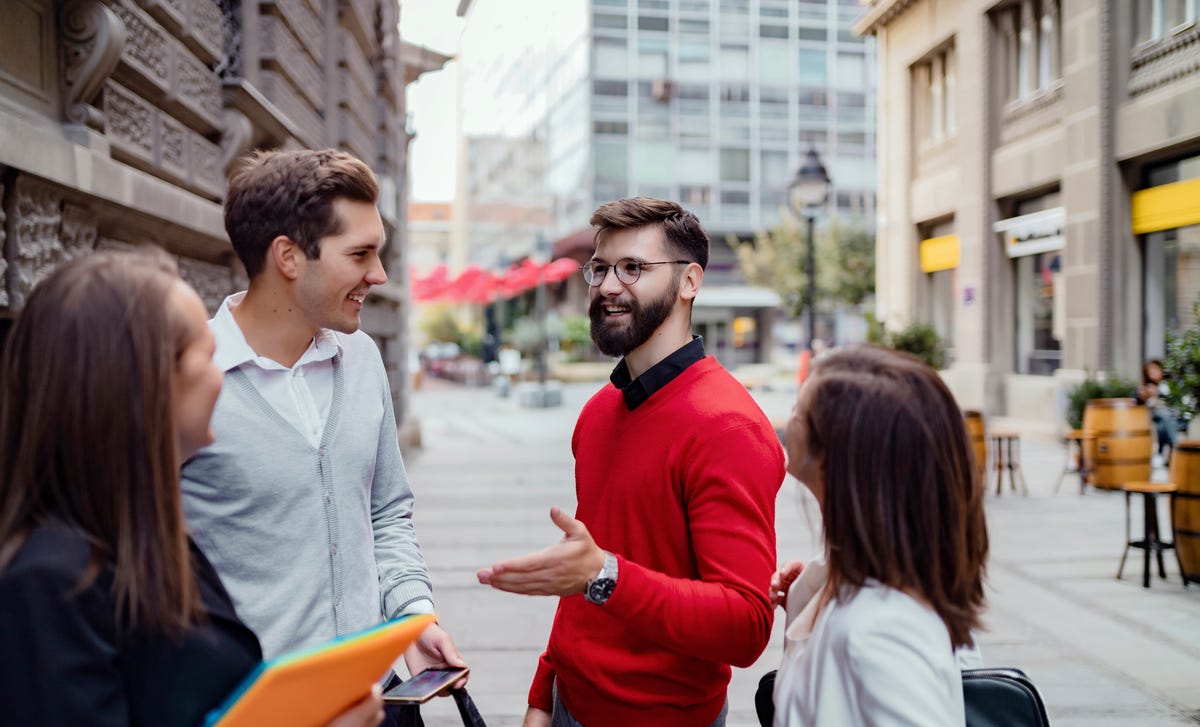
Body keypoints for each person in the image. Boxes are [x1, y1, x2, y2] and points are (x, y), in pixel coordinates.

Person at [0, 252, 383, 727]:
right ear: (143, 386)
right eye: (207, 355)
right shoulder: (48, 585)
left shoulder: (146, 534)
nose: (222, 375)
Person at [179, 149, 465, 721]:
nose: (379, 275)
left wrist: (413, 612)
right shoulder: (187, 381)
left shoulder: (361, 359)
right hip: (256, 709)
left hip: (378, 698)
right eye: (360, 254)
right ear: (287, 255)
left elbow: (385, 511)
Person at [477, 197, 785, 726]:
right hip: (567, 706)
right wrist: (542, 691)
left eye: (633, 268)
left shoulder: (729, 426)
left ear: (690, 281)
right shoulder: (600, 411)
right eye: (599, 268)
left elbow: (746, 626)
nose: (608, 285)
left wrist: (605, 575)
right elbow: (585, 567)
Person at [769, 344, 988, 726]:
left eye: (800, 411)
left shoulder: (885, 630)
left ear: (842, 453)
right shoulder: (845, 587)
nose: (788, 419)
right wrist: (809, 594)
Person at [1138, 359, 1178, 463]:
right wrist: (1145, 396)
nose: (1153, 373)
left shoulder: (1168, 386)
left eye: (1155, 370)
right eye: (1150, 371)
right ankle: (1175, 446)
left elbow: (1174, 401)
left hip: (1166, 418)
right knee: (1164, 415)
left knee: (1162, 425)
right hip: (1151, 415)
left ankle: (1161, 454)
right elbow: (1138, 403)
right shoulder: (1146, 388)